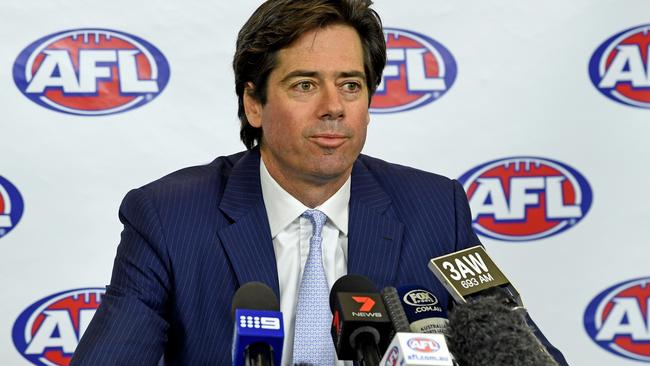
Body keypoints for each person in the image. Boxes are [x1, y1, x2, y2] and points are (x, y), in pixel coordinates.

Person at [72, 0, 568, 365]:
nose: (334, 106)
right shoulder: (169, 217)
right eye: (305, 84)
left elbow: (525, 352)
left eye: (351, 85)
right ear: (254, 104)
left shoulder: (437, 210)